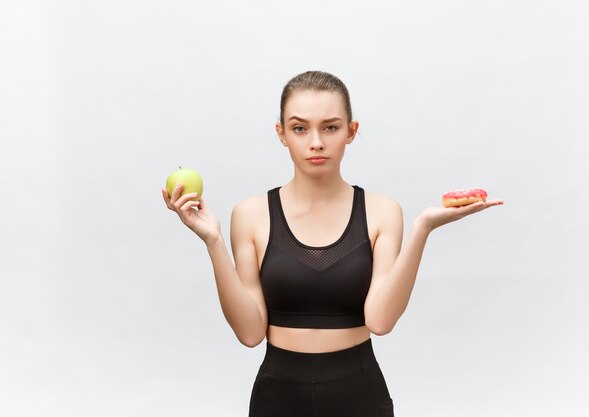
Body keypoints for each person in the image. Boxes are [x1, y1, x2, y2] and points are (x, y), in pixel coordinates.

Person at [162, 70, 504, 417]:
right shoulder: (250, 215)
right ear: (281, 134)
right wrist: (213, 241)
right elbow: (250, 334)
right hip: (277, 397)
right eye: (299, 128)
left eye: (330, 127)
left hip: (359, 395)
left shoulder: (382, 212)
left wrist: (422, 229)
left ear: (351, 132)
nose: (316, 142)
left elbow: (380, 321)